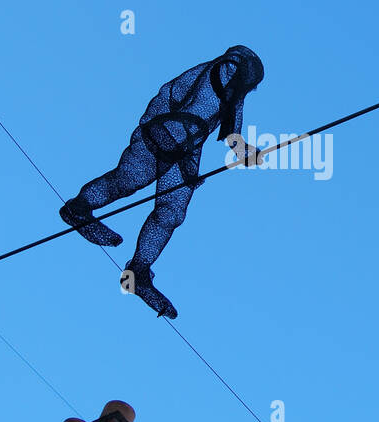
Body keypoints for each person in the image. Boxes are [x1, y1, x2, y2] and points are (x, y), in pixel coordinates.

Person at [60, 45, 265, 318]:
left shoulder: (233, 94)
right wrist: (192, 165)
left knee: (171, 212)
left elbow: (232, 135)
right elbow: (186, 116)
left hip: (186, 145)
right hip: (161, 131)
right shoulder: (217, 75)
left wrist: (245, 152)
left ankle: (138, 272)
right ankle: (78, 208)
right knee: (126, 181)